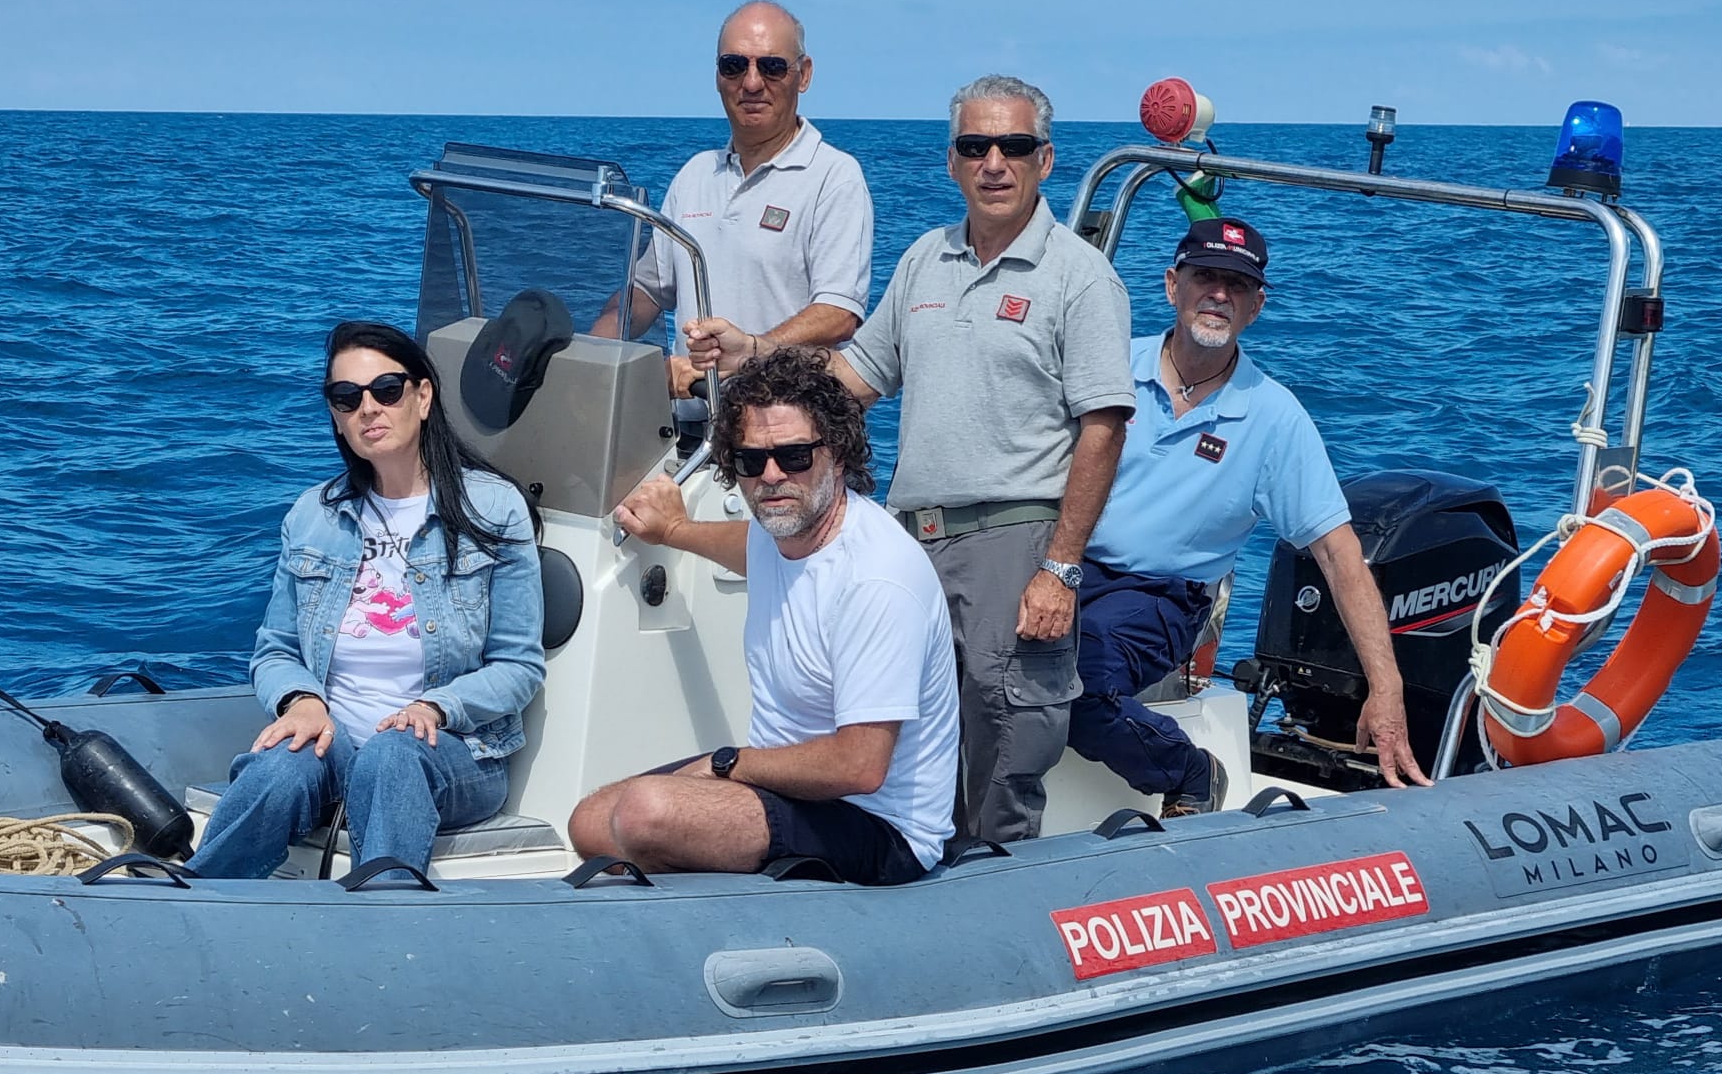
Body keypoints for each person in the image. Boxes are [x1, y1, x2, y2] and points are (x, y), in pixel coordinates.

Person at [687, 75, 1134, 843]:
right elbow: (852, 382)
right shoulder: (926, 259)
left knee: (1003, 742)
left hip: (1014, 538)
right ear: (952, 162)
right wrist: (755, 353)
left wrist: (1059, 569)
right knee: (911, 739)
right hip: (909, 540)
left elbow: (1105, 428)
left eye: (1014, 146)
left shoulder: (1079, 276)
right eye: (975, 146)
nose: (995, 161)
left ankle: (995, 911)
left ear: (1046, 161)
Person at [1070, 217, 1431, 808]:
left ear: (1256, 307)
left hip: (1160, 596)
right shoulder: (1104, 366)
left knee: (1077, 683)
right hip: (1059, 561)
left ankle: (1188, 774)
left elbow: (1339, 556)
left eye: (1236, 285)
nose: (1219, 294)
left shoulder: (1274, 417)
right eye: (1205, 276)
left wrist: (1386, 689)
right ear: (1171, 285)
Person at [567, 346, 958, 885]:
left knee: (643, 814)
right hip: (781, 786)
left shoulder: (877, 579)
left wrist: (730, 764)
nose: (772, 476)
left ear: (838, 454)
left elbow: (860, 767)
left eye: (794, 456)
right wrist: (673, 532)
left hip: (879, 826)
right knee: (589, 823)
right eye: (752, 460)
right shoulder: (782, 538)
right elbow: (744, 545)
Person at [190, 321, 546, 878]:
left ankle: (384, 916)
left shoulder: (493, 509)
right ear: (335, 415)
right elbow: (275, 649)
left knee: (393, 755)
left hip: (455, 753)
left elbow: (519, 666)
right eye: (346, 397)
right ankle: (199, 900)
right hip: (336, 744)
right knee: (281, 766)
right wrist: (300, 702)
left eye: (387, 390)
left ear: (423, 397)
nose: (368, 409)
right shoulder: (314, 515)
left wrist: (435, 707)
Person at [588, 0, 873, 407]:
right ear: (718, 76)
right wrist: (588, 352)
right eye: (734, 66)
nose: (752, 83)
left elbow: (838, 314)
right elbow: (647, 292)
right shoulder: (695, 174)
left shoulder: (833, 176)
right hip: (691, 425)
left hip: (785, 434)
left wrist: (751, 351)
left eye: (772, 67)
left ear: (803, 75)